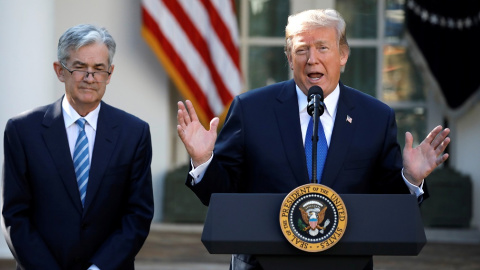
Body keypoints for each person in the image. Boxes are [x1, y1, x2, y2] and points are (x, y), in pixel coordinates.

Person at [177, 9, 450, 270]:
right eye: (301, 50)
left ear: (343, 55)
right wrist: (203, 160)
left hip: (346, 265)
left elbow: (387, 204)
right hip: (262, 264)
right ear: (289, 56)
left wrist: (411, 179)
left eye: (322, 47)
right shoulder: (251, 110)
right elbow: (222, 194)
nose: (311, 59)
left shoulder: (375, 117)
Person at [2, 24, 154, 270]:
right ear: (60, 71)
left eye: (98, 69)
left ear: (110, 73)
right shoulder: (22, 131)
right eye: (79, 67)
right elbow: (15, 215)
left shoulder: (134, 133)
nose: (90, 78)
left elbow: (137, 216)